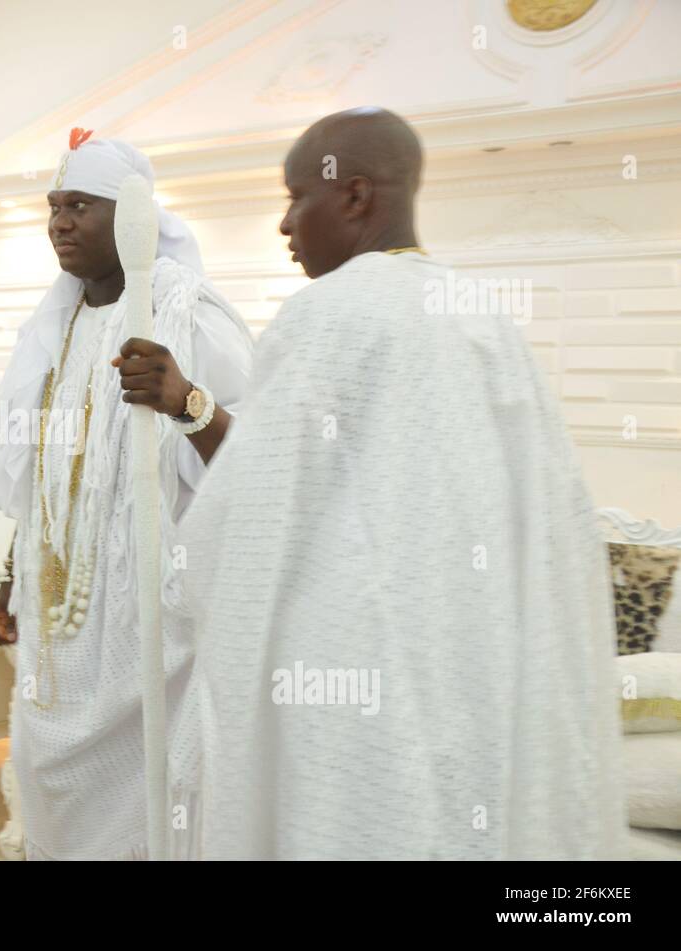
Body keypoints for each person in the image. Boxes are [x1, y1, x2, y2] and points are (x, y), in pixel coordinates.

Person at [183, 107, 626, 859]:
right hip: (476, 663)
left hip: (340, 679)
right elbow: (554, 522)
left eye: (295, 198)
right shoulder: (487, 321)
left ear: (354, 196)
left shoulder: (324, 314)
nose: (285, 225)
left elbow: (248, 518)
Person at [0, 130, 254, 860]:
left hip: (152, 618)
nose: (60, 222)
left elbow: (259, 467)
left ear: (135, 218)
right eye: (53, 206)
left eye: (81, 205)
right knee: (52, 789)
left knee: (150, 805)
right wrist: (12, 573)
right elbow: (43, 473)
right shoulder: (52, 326)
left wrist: (185, 400)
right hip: (58, 613)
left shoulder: (188, 312)